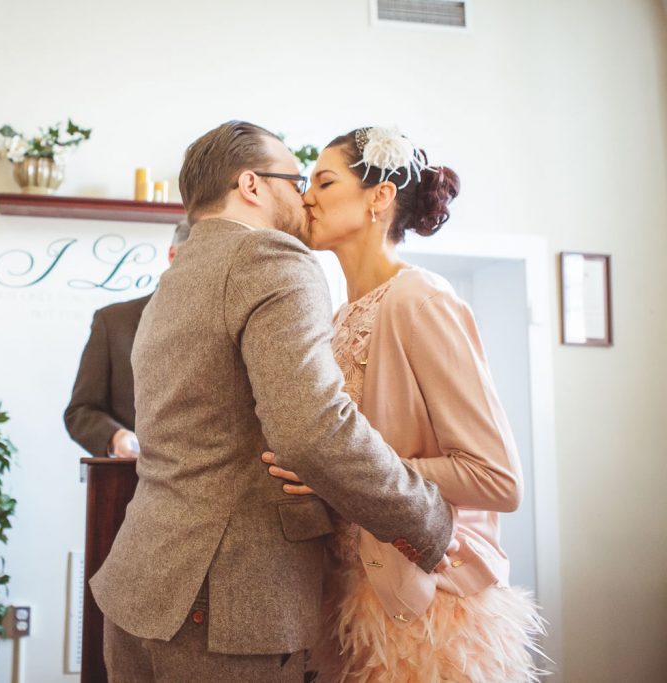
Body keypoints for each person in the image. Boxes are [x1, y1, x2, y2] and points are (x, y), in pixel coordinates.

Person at [89, 120, 456, 682]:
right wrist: (426, 520)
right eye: (296, 178)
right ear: (252, 185)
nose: (305, 196)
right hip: (225, 603)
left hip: (137, 584)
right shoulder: (271, 258)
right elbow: (312, 429)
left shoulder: (175, 277)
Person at [265, 126, 547, 681]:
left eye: (324, 180)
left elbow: (497, 479)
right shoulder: (337, 316)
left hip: (426, 607)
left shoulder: (421, 299)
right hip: (353, 597)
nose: (306, 197)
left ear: (380, 197)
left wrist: (340, 478)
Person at [64, 220, 190, 458]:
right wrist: (116, 436)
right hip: (133, 482)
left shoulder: (237, 323)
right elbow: (81, 412)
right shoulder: (112, 322)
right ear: (173, 255)